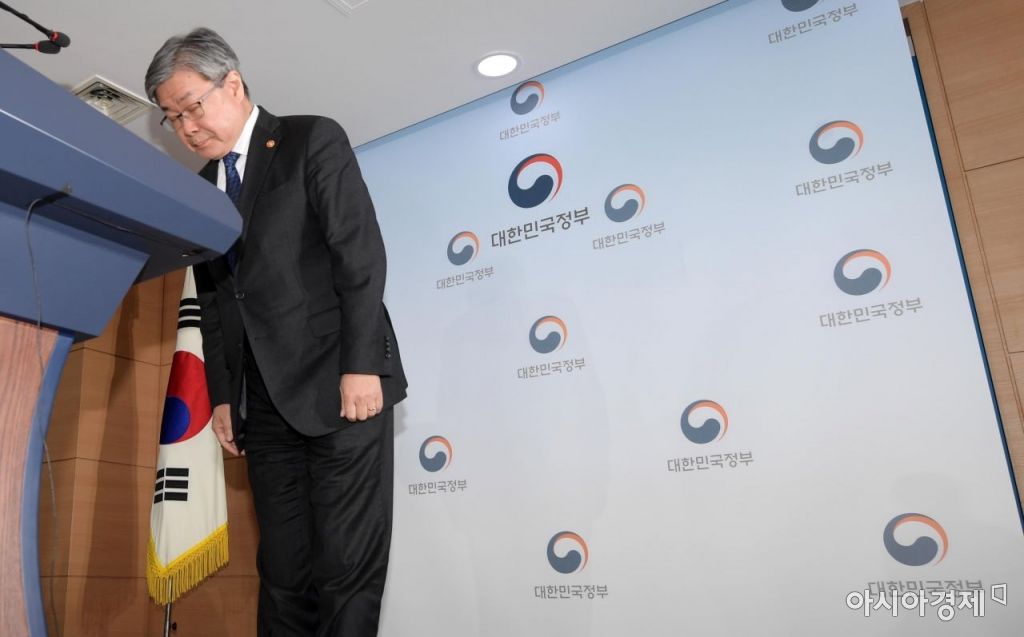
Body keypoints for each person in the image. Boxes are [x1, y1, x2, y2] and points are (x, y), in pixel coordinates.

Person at [145, 27, 407, 636]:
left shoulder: (310, 139)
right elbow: (215, 300)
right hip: (261, 407)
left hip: (341, 385)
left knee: (345, 568)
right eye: (172, 118)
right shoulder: (202, 189)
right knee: (284, 573)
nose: (186, 128)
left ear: (232, 84)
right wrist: (222, 398)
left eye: (192, 107)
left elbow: (359, 255)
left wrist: (361, 364)